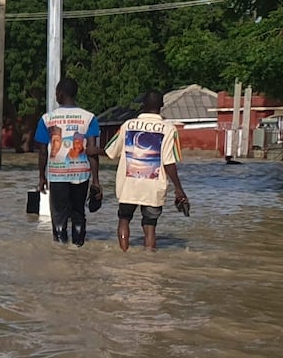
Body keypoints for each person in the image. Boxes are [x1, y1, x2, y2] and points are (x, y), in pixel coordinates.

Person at [105, 90, 189, 252]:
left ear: (143, 105)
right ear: (162, 106)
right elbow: (169, 162)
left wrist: (93, 151)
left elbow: (111, 151)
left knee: (124, 220)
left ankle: (123, 255)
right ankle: (149, 263)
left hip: (128, 185)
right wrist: (179, 189)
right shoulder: (169, 129)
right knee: (150, 227)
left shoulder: (128, 125)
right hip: (153, 187)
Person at [33, 78, 102, 246]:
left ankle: (60, 249)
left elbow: (43, 152)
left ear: (61, 94)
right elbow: (92, 151)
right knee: (78, 213)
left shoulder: (47, 119)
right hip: (81, 174)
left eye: (56, 93)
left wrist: (42, 177)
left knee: (59, 215)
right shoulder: (89, 118)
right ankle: (78, 247)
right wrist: (96, 181)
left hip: (57, 175)